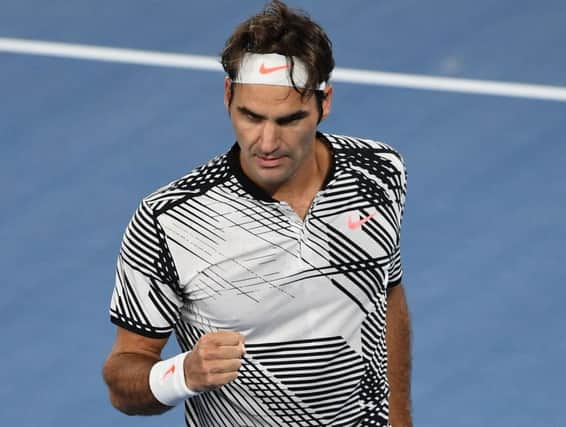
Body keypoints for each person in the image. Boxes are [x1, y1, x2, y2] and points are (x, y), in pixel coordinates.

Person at [102, 1, 412, 426]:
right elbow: (123, 378)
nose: (266, 142)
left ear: (325, 103)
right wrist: (182, 374)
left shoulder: (378, 171)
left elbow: (387, 296)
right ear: (228, 96)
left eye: (289, 119)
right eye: (251, 116)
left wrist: (400, 419)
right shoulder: (169, 220)